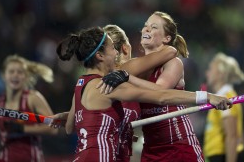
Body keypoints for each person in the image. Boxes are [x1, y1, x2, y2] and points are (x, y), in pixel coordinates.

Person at [50, 26, 232, 162]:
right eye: (112, 48)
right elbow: (161, 97)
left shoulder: (80, 84)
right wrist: (207, 97)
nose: (116, 53)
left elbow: (69, 127)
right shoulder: (106, 86)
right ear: (100, 56)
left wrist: (72, 116)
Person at [100, 11, 210, 162]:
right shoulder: (138, 66)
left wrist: (127, 77)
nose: (146, 29)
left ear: (167, 38)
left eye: (154, 27)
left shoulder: (173, 63)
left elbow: (161, 93)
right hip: (151, 150)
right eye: (145, 26)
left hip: (179, 146)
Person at [103, 24, 178, 161]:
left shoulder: (101, 77)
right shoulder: (126, 68)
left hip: (113, 150)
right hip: (110, 153)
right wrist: (205, 97)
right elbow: (171, 51)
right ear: (125, 48)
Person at [0, 54, 58, 162]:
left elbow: (53, 126)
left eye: (20, 72)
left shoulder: (33, 98)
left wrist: (23, 129)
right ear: (3, 75)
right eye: (11, 71)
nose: (15, 75)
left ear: (26, 76)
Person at [203, 52, 244, 162]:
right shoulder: (221, 96)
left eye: (210, 69)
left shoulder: (225, 97)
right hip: (219, 154)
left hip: (223, 155)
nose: (207, 73)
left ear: (221, 73)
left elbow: (232, 136)